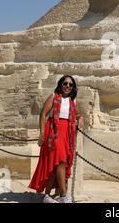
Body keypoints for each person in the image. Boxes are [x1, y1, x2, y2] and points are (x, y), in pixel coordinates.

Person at [29, 75, 83, 203]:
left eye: (70, 85)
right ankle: (64, 194)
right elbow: (43, 114)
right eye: (65, 83)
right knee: (60, 161)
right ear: (60, 84)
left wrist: (80, 118)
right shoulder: (54, 97)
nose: (67, 87)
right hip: (54, 132)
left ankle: (47, 195)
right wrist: (42, 133)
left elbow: (77, 114)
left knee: (55, 165)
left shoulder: (72, 101)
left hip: (66, 134)